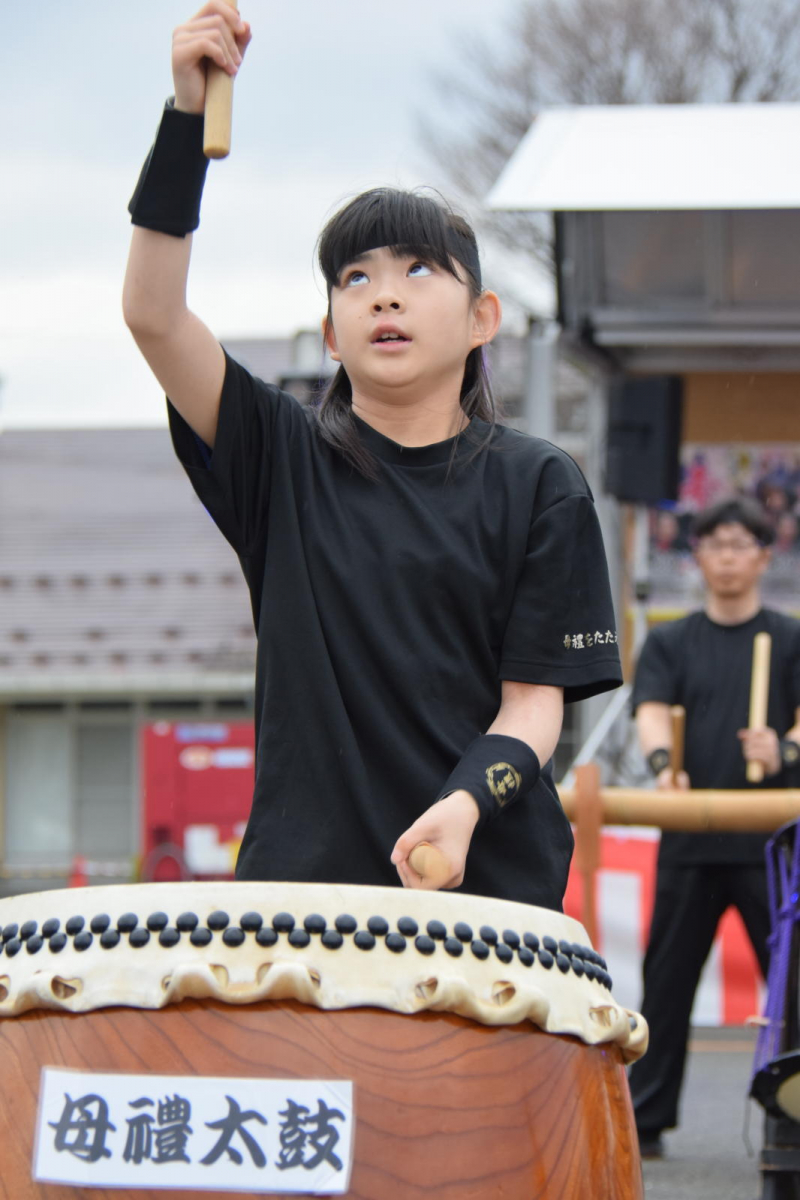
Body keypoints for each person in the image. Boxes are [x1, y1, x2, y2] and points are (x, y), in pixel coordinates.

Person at [122, 1, 622, 907]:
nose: (383, 295)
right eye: (356, 278)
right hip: (300, 905)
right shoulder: (277, 458)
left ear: (483, 321)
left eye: (416, 269)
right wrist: (186, 120)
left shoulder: (540, 484)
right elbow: (153, 316)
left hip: (488, 903)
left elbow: (535, 705)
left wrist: (468, 804)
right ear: (332, 335)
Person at [628, 497, 800, 1159]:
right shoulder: (672, 640)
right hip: (691, 836)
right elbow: (650, 709)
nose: (727, 556)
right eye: (715, 544)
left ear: (763, 556)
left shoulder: (787, 638)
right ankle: (645, 1119)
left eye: (741, 544)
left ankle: (791, 1111)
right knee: (666, 982)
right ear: (697, 556)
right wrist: (664, 766)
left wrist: (783, 752)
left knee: (790, 983)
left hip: (774, 847)